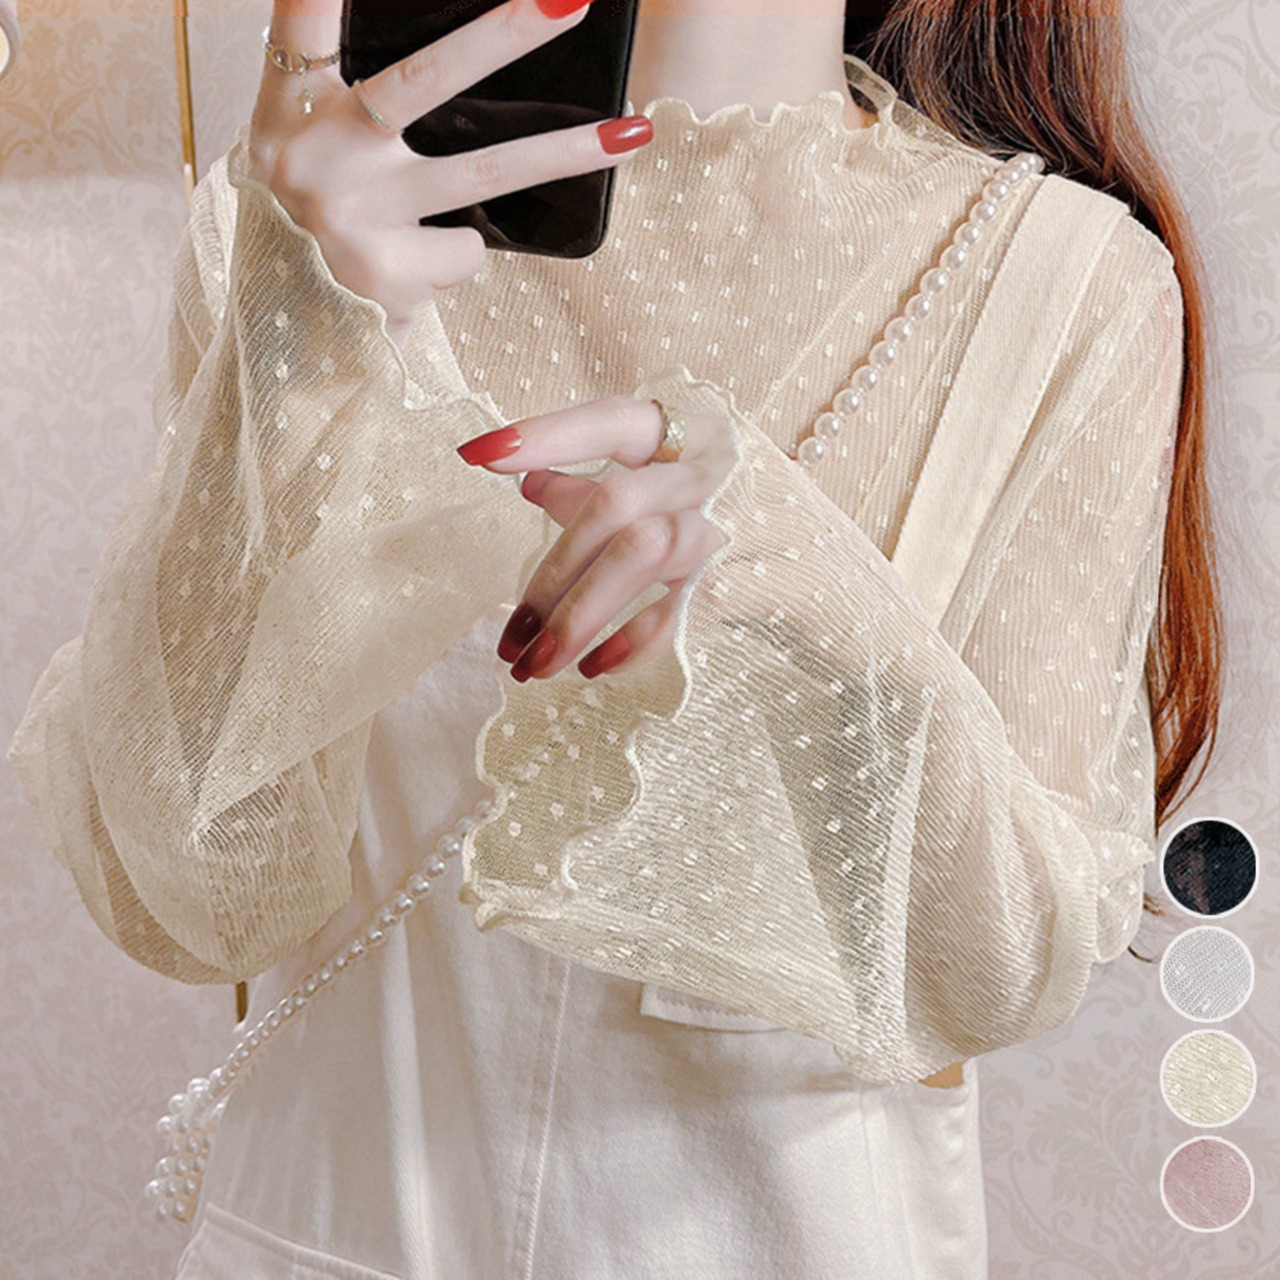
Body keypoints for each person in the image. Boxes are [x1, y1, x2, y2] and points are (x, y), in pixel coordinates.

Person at [7, 0, 1219, 1275]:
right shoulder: (307, 204)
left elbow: (1004, 969)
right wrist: (295, 328)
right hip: (317, 1231)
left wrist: (789, 576)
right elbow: (189, 903)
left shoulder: (1065, 280)